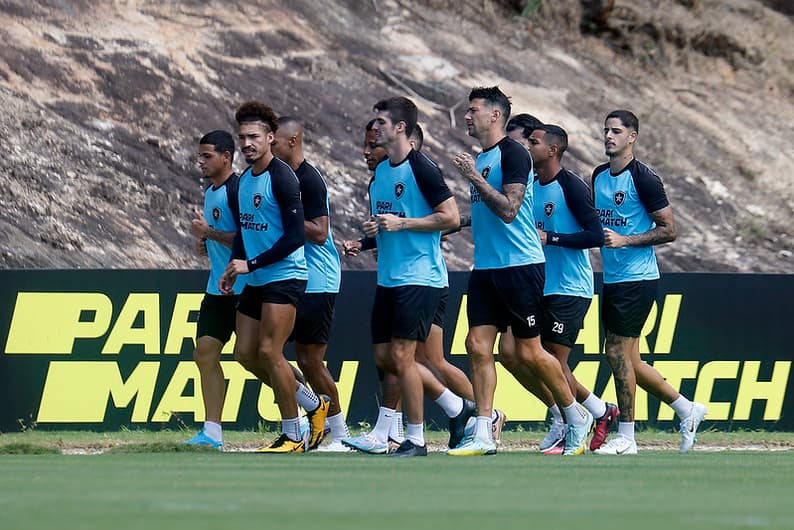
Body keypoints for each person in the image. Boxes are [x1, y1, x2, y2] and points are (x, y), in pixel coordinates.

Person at [448, 86, 593, 457]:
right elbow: (484, 212)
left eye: (473, 110)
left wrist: (474, 178)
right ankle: (483, 431)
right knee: (476, 345)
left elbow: (510, 209)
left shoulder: (514, 154)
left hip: (520, 266)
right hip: (486, 267)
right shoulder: (482, 157)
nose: (467, 116)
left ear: (495, 115)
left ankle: (575, 415)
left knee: (530, 353)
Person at [591, 109, 706, 455]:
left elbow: (669, 230)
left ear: (632, 137)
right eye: (606, 131)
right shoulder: (598, 175)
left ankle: (627, 436)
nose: (609, 136)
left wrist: (626, 240)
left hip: (637, 279)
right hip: (613, 278)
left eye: (616, 131)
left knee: (615, 352)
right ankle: (687, 409)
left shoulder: (644, 178)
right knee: (631, 360)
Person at [350, 97, 460, 457]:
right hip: (389, 279)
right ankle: (459, 409)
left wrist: (403, 223)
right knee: (386, 359)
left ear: (400, 128)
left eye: (380, 122)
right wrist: (371, 235)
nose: (374, 128)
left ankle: (415, 438)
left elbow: (451, 218)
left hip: (420, 276)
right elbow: (388, 224)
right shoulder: (379, 175)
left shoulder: (422, 168)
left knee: (405, 357)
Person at [500, 124, 618, 455]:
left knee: (552, 360)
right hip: (537, 285)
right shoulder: (532, 186)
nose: (528, 147)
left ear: (552, 150)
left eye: (533, 143)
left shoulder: (572, 186)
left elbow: (596, 235)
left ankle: (571, 422)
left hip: (570, 287)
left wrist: (551, 238)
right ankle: (592, 410)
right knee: (513, 354)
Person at [220, 100, 329, 454]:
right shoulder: (240, 183)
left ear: (270, 138)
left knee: (270, 351)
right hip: (256, 277)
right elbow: (243, 231)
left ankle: (293, 434)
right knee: (245, 354)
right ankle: (314, 405)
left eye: (254, 136)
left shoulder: (283, 177)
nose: (247, 143)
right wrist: (234, 264)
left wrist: (250, 265)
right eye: (242, 137)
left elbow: (296, 235)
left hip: (286, 275)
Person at [270, 116, 351, 452]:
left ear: (292, 141)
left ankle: (341, 433)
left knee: (310, 362)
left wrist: (282, 217)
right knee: (267, 351)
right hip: (293, 276)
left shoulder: (309, 179)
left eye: (274, 142)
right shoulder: (277, 177)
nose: (268, 148)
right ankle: (310, 414)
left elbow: (319, 232)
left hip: (318, 280)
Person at [182, 130, 244, 450]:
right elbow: (218, 239)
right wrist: (203, 240)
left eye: (207, 156)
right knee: (204, 354)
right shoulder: (210, 191)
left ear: (226, 157)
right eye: (199, 155)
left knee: (260, 360)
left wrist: (211, 232)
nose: (200, 161)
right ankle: (212, 433)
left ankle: (307, 411)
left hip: (245, 289)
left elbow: (248, 239)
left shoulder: (239, 190)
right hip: (217, 289)